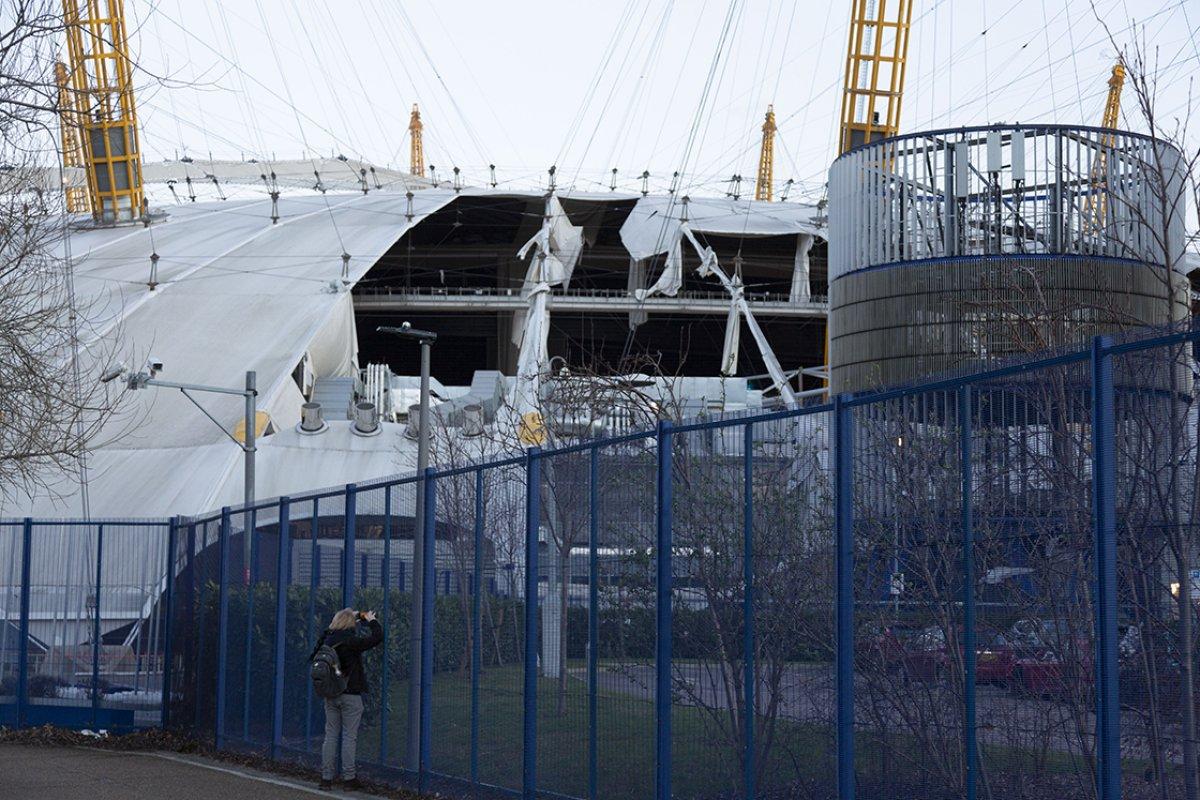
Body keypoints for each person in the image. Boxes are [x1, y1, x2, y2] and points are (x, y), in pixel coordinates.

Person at [310, 607, 383, 790]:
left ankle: (326, 779)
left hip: (331, 694)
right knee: (349, 737)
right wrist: (371, 619)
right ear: (351, 624)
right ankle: (349, 779)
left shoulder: (327, 640)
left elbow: (331, 628)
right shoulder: (351, 641)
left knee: (331, 735)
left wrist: (354, 616)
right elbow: (377, 637)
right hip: (350, 695)